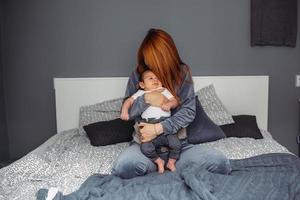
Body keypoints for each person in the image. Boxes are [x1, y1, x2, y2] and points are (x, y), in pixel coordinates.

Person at [112, 28, 231, 179]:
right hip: (145, 146)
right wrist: (147, 99)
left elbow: (188, 112)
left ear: (166, 56)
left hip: (179, 146)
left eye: (153, 59)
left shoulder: (182, 73)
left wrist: (158, 128)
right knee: (125, 167)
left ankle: (169, 165)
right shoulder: (139, 75)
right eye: (146, 58)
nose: (149, 64)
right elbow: (128, 113)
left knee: (220, 163)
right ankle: (157, 163)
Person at [120, 69, 181, 173]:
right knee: (145, 147)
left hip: (164, 124)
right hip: (148, 124)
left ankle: (171, 161)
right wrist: (124, 111)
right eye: (151, 78)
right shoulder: (141, 93)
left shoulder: (163, 90)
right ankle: (158, 161)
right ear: (142, 85)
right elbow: (129, 101)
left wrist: (169, 104)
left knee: (176, 144)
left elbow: (175, 101)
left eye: (157, 78)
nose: (155, 80)